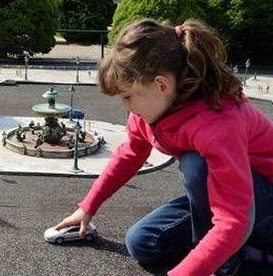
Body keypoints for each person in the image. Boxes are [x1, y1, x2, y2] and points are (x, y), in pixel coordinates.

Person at [53, 19, 273, 276]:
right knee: (142, 242)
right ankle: (236, 251)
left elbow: (235, 220)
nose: (126, 107)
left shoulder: (218, 123)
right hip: (229, 194)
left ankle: (227, 263)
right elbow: (129, 155)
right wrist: (87, 207)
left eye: (127, 96)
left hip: (262, 205)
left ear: (161, 85)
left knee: (195, 165)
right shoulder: (149, 112)